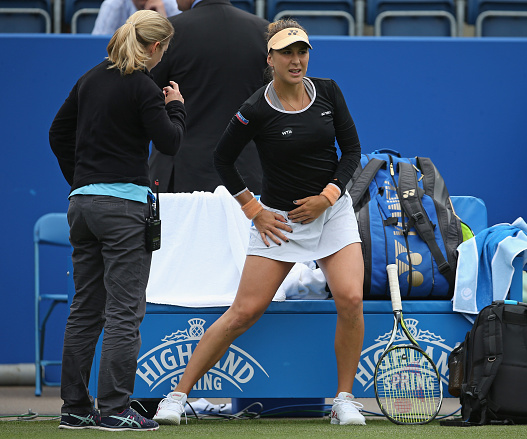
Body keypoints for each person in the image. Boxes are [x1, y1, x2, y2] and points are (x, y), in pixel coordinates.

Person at [152, 19, 367, 426]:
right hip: (279, 224)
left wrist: (329, 196)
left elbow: (352, 150)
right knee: (243, 313)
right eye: (286, 52)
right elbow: (222, 160)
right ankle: (176, 397)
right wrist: (255, 211)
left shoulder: (330, 92)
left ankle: (343, 399)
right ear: (270, 59)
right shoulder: (255, 108)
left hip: (332, 213)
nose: (296, 59)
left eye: (301, 51)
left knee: (351, 298)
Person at [49, 10, 186, 431]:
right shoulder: (145, 88)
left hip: (83, 205)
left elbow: (57, 133)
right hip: (124, 209)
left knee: (86, 308)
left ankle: (75, 407)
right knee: (125, 312)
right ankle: (114, 409)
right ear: (156, 47)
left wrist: (84, 181)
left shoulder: (89, 79)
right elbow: (169, 141)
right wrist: (176, 107)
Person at [148, 0, 268, 194]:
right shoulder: (265, 31)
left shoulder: (170, 31)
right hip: (248, 175)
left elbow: (148, 98)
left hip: (180, 176)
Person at [92, 0, 180, 35]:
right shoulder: (112, 5)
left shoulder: (171, 4)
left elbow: (178, 46)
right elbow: (97, 45)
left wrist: (163, 17)